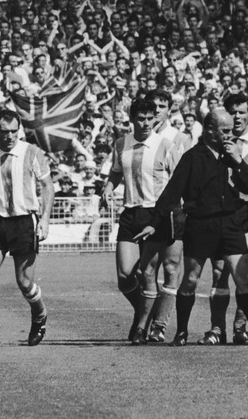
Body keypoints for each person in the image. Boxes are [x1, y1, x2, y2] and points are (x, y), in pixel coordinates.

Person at [134, 109, 248, 346]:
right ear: (210, 131)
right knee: (191, 279)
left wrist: (238, 160)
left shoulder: (231, 155)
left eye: (232, 130)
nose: (231, 135)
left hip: (231, 223)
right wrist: (154, 223)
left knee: (243, 277)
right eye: (225, 131)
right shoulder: (192, 157)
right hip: (201, 224)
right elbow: (172, 192)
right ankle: (181, 332)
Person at [0, 109, 54, 348]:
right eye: (4, 132)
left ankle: (39, 314)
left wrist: (45, 219)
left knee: (25, 282)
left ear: (19, 130)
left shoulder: (32, 152)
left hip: (24, 221)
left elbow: (47, 186)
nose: (9, 136)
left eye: (13, 131)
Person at [200, 93, 248, 346]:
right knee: (219, 272)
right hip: (220, 212)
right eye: (232, 112)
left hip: (247, 210)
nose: (236, 117)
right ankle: (216, 329)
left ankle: (240, 328)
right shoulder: (214, 140)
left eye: (241, 112)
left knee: (245, 271)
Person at [101, 99, 179, 344]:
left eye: (150, 118)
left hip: (157, 214)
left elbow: (177, 182)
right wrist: (108, 187)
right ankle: (148, 310)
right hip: (131, 213)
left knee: (149, 273)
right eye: (141, 119)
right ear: (132, 119)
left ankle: (143, 325)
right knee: (125, 276)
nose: (146, 124)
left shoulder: (165, 145)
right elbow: (115, 171)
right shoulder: (121, 143)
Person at [143, 89, 192, 343]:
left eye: (162, 106)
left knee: (171, 267)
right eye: (153, 106)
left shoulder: (180, 138)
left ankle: (159, 326)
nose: (158, 110)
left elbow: (186, 175)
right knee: (143, 271)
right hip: (144, 209)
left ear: (169, 109)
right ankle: (143, 319)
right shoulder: (139, 137)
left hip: (173, 211)